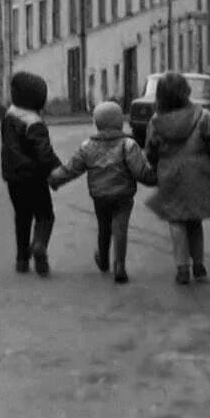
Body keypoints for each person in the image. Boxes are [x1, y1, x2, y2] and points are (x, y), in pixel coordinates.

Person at [144, 72, 210, 284]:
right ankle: (199, 264)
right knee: (195, 220)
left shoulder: (156, 122)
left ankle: (182, 268)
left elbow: (151, 151)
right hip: (199, 174)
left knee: (176, 222)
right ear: (186, 91)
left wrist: (153, 166)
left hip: (170, 176)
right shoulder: (203, 116)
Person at [49, 101, 157, 284]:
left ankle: (104, 259)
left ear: (97, 123)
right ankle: (120, 265)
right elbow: (141, 172)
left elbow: (71, 168)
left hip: (100, 196)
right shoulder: (128, 145)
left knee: (104, 227)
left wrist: (55, 178)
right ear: (120, 122)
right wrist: (155, 177)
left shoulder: (88, 146)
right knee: (120, 227)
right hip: (123, 195)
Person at [0, 72, 62, 275]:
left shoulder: (9, 116)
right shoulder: (34, 122)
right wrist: (57, 169)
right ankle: (39, 245)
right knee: (45, 215)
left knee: (22, 216)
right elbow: (44, 153)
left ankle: (21, 260)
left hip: (13, 177)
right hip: (34, 178)